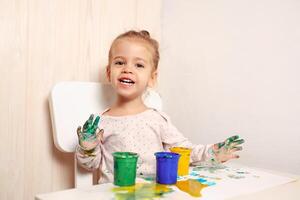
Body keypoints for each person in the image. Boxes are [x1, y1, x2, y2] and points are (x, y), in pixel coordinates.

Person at [76, 30, 244, 183]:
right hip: (114, 194)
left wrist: (213, 153)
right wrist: (87, 146)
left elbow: (185, 151)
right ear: (108, 72)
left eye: (139, 65)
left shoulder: (157, 119)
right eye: (120, 62)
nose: (127, 69)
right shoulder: (100, 123)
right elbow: (90, 165)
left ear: (152, 78)